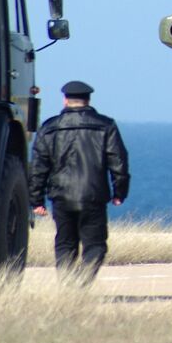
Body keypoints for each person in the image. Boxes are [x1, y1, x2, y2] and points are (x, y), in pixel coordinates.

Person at [29, 80, 130, 287]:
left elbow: (39, 166)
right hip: (93, 196)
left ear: (65, 100)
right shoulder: (105, 125)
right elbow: (118, 161)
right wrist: (119, 192)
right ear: (88, 100)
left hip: (61, 197)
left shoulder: (49, 127)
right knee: (95, 245)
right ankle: (81, 284)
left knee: (65, 243)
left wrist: (36, 200)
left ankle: (68, 285)